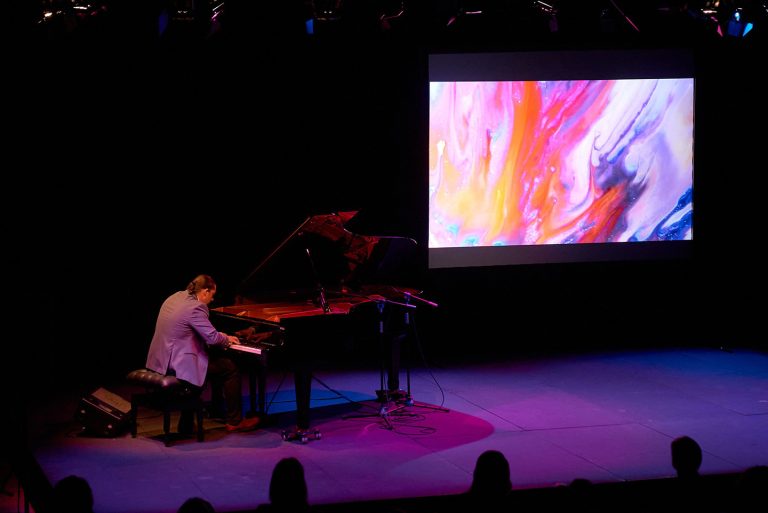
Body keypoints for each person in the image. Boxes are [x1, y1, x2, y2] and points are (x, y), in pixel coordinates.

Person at [145, 274, 260, 433]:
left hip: (160, 360)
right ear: (205, 291)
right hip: (178, 364)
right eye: (212, 295)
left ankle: (193, 420)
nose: (212, 300)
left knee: (209, 359)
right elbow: (213, 338)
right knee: (229, 368)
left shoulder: (175, 297)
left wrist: (217, 336)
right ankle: (235, 421)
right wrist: (226, 338)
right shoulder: (196, 307)